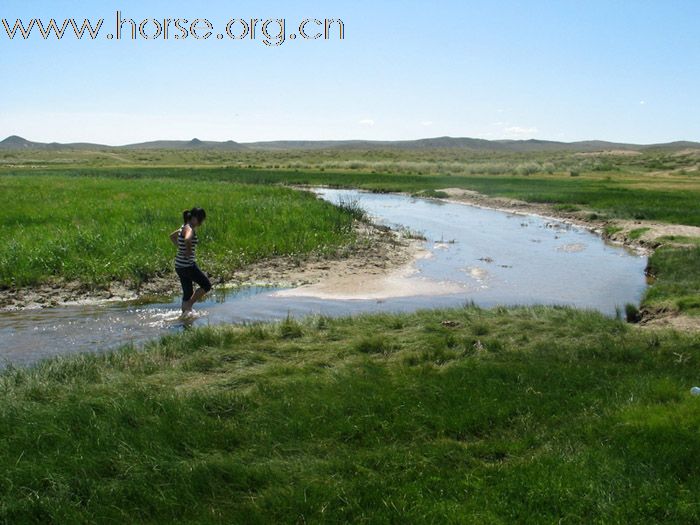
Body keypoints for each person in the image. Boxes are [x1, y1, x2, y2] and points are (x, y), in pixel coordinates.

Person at [169, 207, 212, 314]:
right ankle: (189, 305)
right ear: (194, 218)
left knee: (188, 293)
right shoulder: (189, 229)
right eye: (201, 220)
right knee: (206, 285)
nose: (201, 223)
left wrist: (180, 247)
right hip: (188, 266)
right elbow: (187, 239)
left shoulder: (183, 227)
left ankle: (185, 315)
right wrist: (187, 251)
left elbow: (172, 236)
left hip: (179, 265)